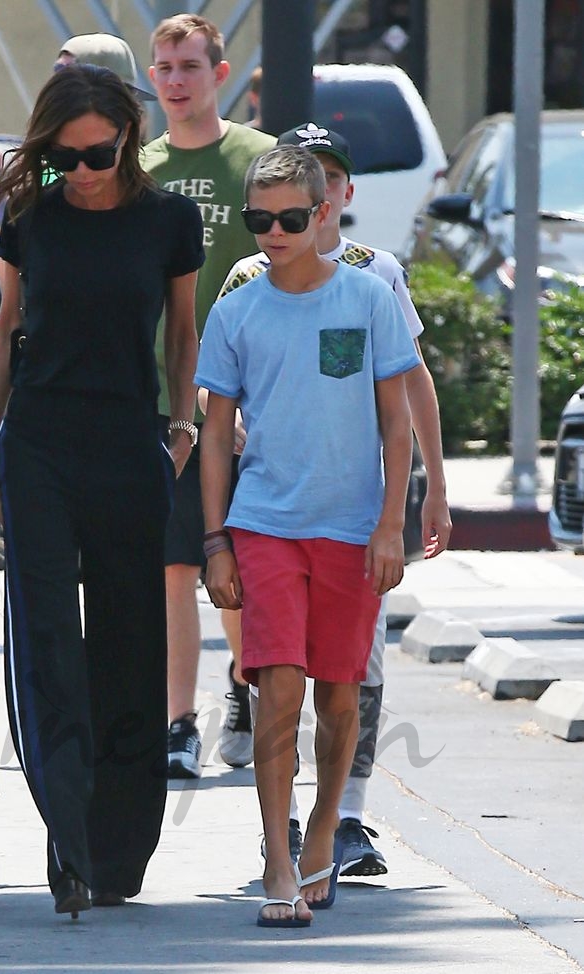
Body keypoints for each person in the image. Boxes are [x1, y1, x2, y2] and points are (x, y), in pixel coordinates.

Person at [0, 63, 203, 916]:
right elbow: (5, 333)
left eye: (97, 153)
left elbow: (182, 334)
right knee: (45, 644)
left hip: (129, 441)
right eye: (64, 158)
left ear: (128, 139)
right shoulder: (32, 220)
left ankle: (119, 844)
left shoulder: (169, 220)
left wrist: (182, 428)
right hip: (39, 443)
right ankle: (65, 838)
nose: (83, 170)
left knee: (129, 640)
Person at [219, 122, 452, 874]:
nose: (278, 230)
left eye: (294, 213)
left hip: (352, 523)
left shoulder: (373, 283)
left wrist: (411, 509)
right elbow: (217, 410)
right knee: (278, 683)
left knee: (343, 692)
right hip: (265, 519)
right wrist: (214, 537)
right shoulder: (241, 294)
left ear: (330, 204)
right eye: (263, 219)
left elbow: (403, 405)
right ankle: (281, 847)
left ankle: (335, 820)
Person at [142, 13, 275, 779]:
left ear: (220, 74)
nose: (176, 79)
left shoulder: (257, 158)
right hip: (166, 398)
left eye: (190, 65)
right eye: (163, 67)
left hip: (253, 400)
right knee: (173, 567)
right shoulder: (139, 165)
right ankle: (178, 721)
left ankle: (242, 680)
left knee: (237, 561)